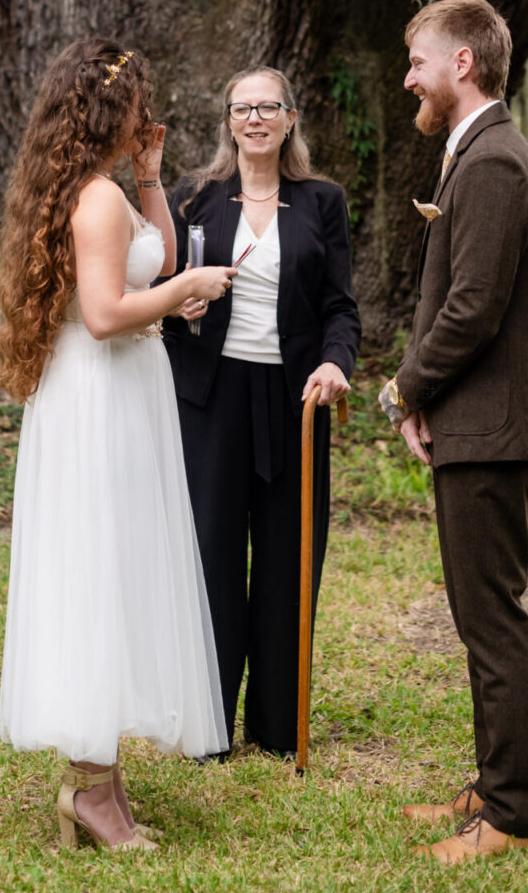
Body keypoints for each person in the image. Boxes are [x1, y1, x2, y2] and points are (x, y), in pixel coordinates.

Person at [0, 40, 237, 852]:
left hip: (116, 393)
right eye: (138, 100)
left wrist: (152, 177)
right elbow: (105, 311)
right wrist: (185, 293)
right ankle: (90, 794)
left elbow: (157, 256)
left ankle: (102, 785)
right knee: (98, 575)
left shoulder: (107, 192)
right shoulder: (91, 200)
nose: (148, 110)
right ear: (108, 109)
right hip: (99, 395)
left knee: (115, 573)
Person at [379, 0, 528, 866]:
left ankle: (512, 813)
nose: (409, 76)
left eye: (418, 60)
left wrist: (402, 389)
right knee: (479, 615)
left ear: (462, 64)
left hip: (492, 427)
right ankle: (494, 782)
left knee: (491, 620)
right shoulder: (478, 153)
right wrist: (428, 404)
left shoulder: (493, 162)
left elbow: (473, 308)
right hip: (472, 420)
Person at [162, 66, 361, 757]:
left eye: (267, 107)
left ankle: (278, 727)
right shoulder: (193, 197)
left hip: (293, 400)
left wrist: (336, 362)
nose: (254, 118)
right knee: (211, 558)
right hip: (210, 402)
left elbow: (340, 306)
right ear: (228, 121)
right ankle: (208, 727)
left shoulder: (322, 201)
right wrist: (176, 301)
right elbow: (160, 289)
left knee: (287, 560)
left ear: (289, 119)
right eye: (241, 107)